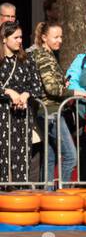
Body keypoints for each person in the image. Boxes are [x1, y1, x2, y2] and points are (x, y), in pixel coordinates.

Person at [27, 21, 75, 185]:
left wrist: (63, 85)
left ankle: (47, 196)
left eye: (61, 37)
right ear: (44, 37)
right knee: (70, 156)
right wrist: (76, 92)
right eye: (55, 37)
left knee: (50, 157)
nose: (59, 40)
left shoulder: (48, 55)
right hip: (51, 112)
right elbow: (52, 89)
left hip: (48, 112)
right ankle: (63, 194)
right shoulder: (44, 56)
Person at [0, 21, 40, 184]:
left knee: (21, 159)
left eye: (21, 37)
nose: (20, 40)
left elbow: (37, 85)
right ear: (4, 38)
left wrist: (25, 94)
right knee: (2, 157)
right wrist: (8, 92)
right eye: (15, 37)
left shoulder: (27, 60)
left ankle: (20, 197)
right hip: (2, 117)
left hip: (22, 118)